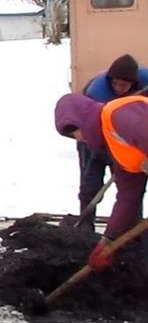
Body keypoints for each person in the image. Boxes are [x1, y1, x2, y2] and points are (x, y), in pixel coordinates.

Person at [54, 93, 148, 272]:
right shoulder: (116, 148)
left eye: (75, 132)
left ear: (81, 120)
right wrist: (108, 241)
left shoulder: (118, 114)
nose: (79, 139)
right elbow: (128, 198)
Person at [76, 54, 148, 231]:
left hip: (127, 138)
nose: (118, 88)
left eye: (123, 85)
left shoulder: (145, 81)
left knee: (131, 188)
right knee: (90, 182)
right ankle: (84, 227)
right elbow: (102, 127)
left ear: (134, 83)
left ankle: (131, 226)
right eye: (115, 83)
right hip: (93, 137)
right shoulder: (98, 92)